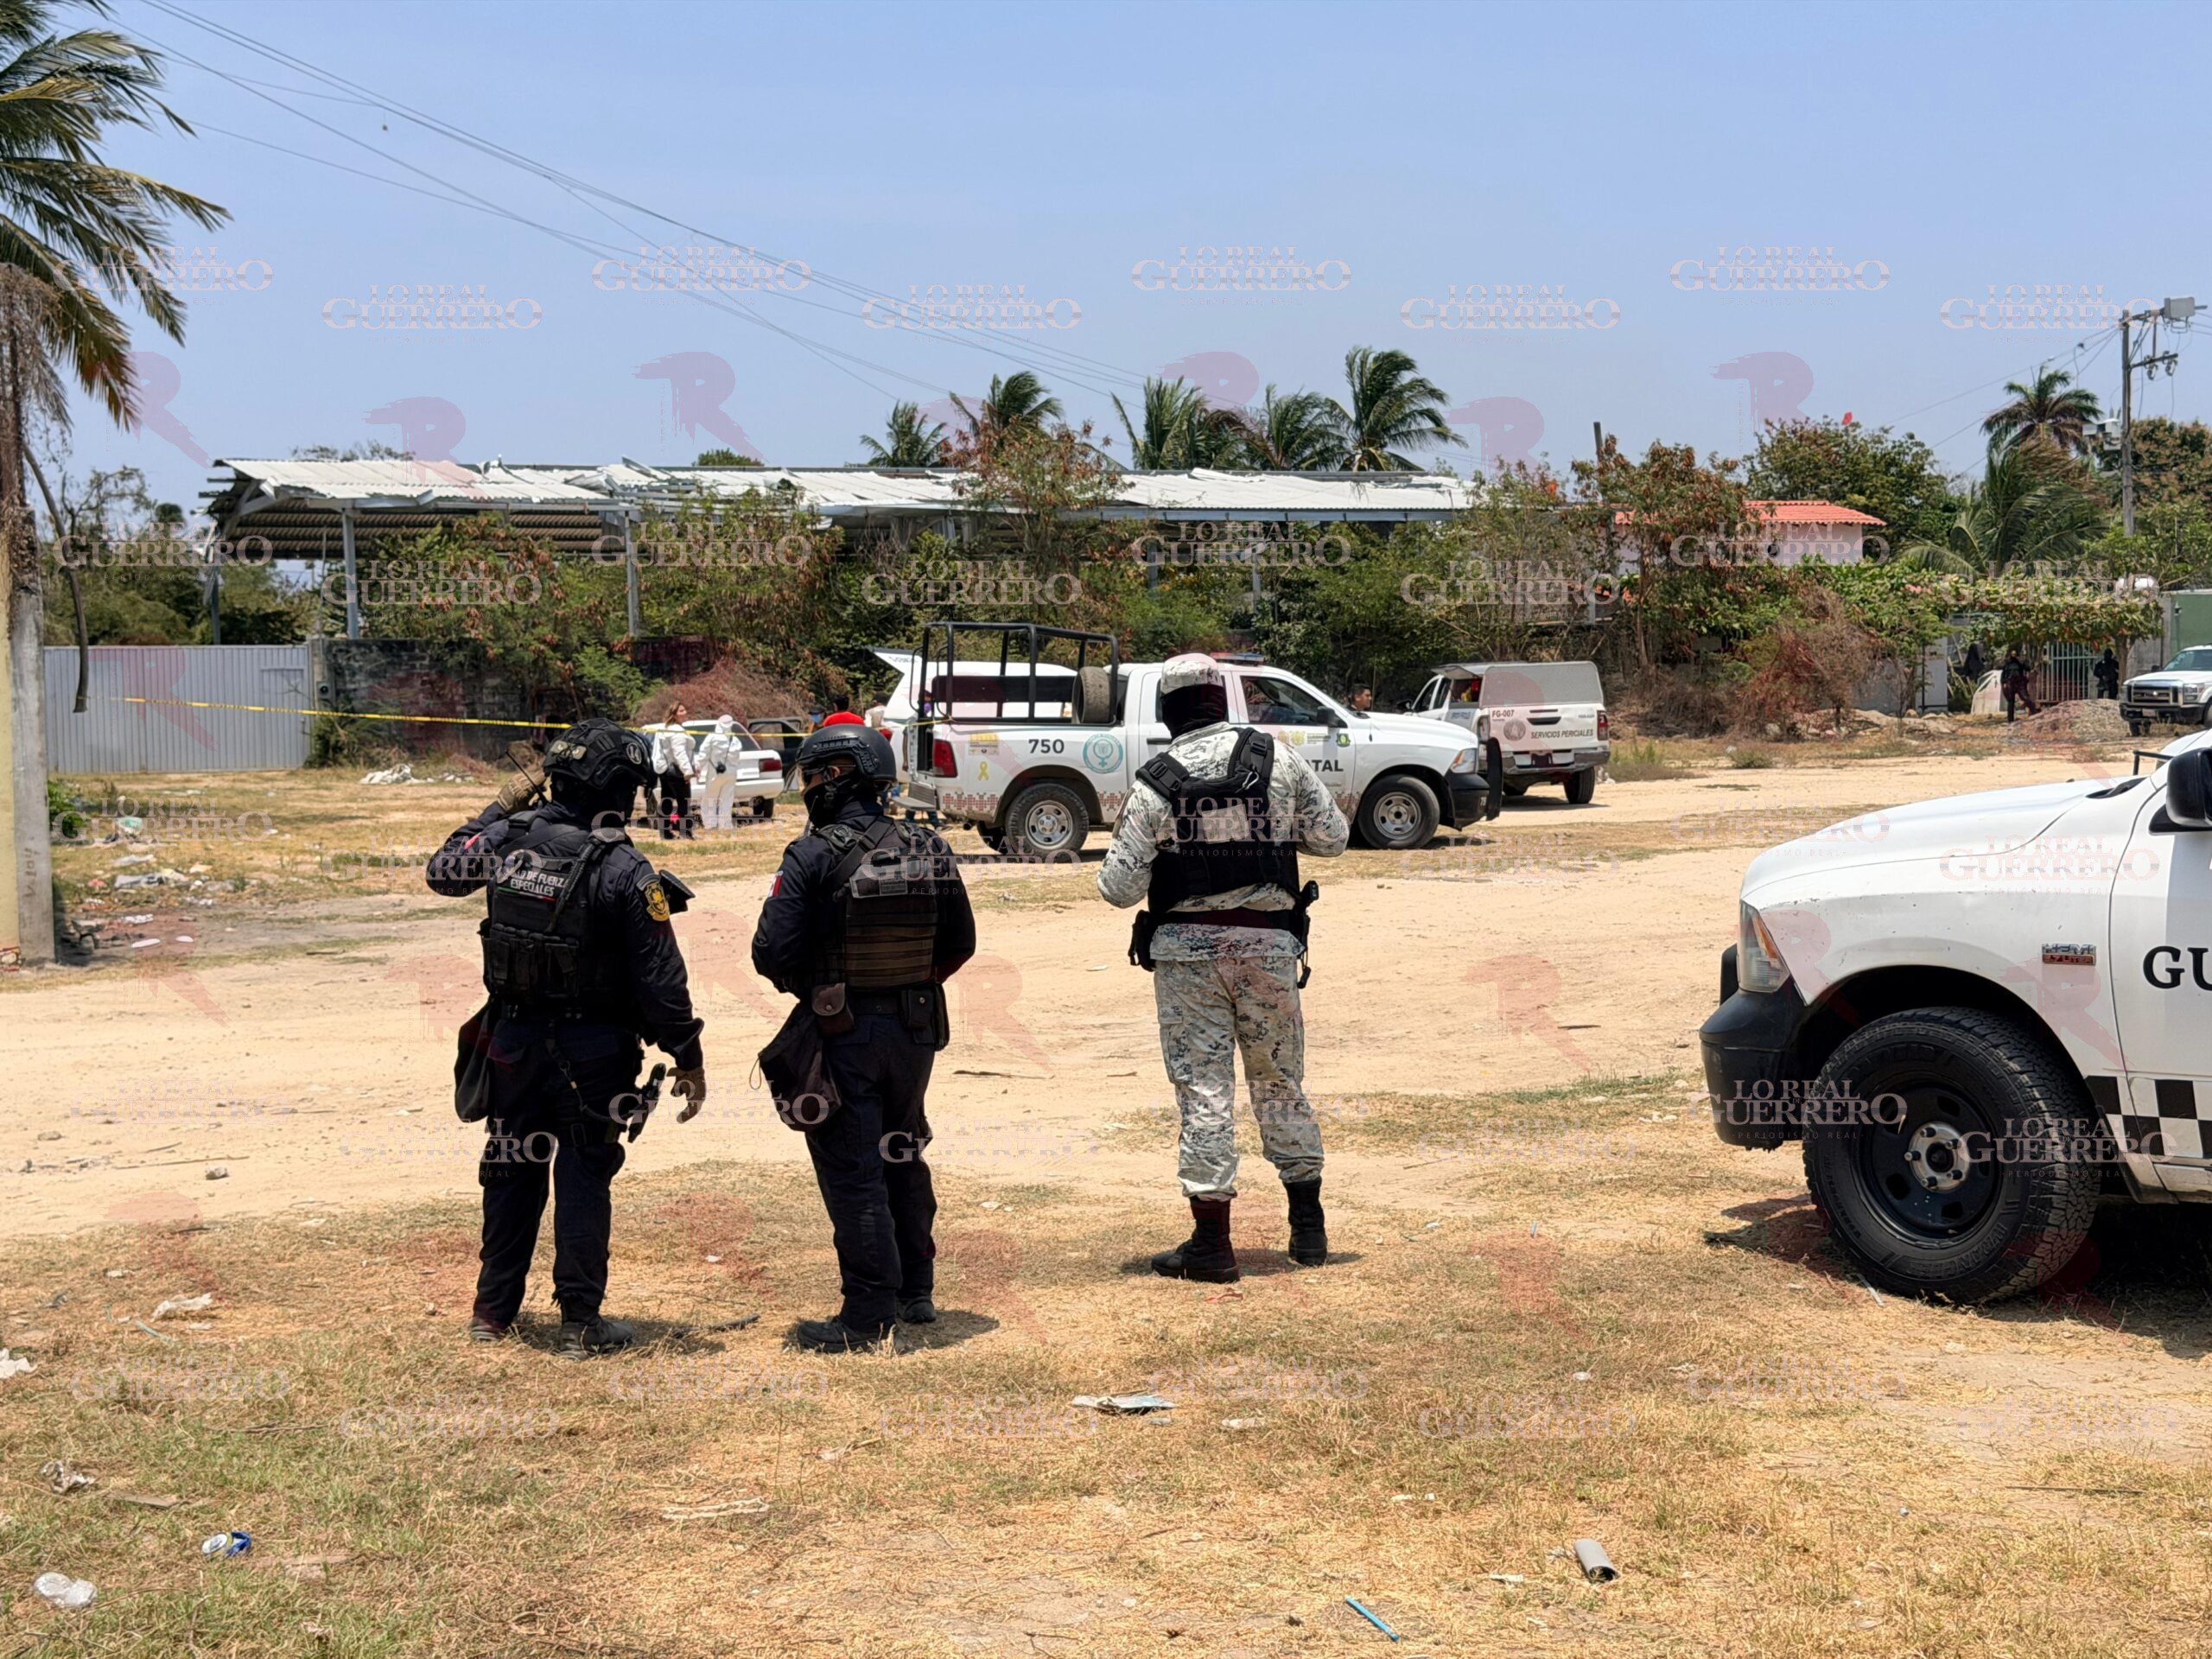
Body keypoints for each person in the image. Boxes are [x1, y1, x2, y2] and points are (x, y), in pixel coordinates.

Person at [425, 717, 707, 1357]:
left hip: (513, 1046)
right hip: (595, 1058)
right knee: (584, 1179)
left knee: (511, 1172)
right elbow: (664, 982)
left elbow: (444, 871)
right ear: (614, 789)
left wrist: (498, 806)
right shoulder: (625, 870)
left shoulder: (507, 837)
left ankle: (492, 1315)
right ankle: (581, 1322)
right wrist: (688, 1056)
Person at [1096, 653, 1350, 1284]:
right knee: (1279, 1081)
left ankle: (1213, 1245)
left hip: (1188, 960)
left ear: (1167, 709)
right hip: (1267, 949)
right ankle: (1308, 1230)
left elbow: (1119, 889)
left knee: (1204, 1091)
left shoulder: (1157, 779)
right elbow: (1333, 837)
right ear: (1222, 698)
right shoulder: (1278, 759)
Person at [752, 722, 976, 1352]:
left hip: (843, 1031)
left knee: (854, 1170)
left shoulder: (814, 854)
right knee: (901, 1152)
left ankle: (866, 1315)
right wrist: (908, 984)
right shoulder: (929, 845)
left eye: (810, 779)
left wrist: (822, 984)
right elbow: (960, 943)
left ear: (832, 777)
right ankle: (916, 1292)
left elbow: (770, 951)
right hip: (915, 1032)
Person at [650, 704, 696, 840]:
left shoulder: (667, 729)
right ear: (674, 714)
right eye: (681, 711)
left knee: (666, 802)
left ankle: (665, 833)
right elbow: (679, 753)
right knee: (684, 803)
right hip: (677, 770)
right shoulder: (677, 731)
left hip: (666, 771)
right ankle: (686, 833)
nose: (685, 712)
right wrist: (687, 771)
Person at [696, 714, 742, 831]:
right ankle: (725, 825)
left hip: (715, 774)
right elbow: (737, 759)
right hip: (731, 774)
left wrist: (698, 768)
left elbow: (703, 754)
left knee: (710, 798)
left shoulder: (712, 737)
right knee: (727, 799)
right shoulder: (735, 740)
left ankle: (711, 824)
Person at [2000, 649, 2040, 722]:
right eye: (2012, 654)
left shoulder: (2020, 663)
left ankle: (2035, 712)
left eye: (2015, 654)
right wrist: (2003, 683)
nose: (2014, 656)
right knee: (2011, 702)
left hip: (2020, 683)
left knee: (2025, 698)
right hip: (2010, 683)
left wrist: (2023, 661)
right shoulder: (2007, 663)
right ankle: (2010, 720)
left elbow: (2028, 668)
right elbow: (2003, 673)